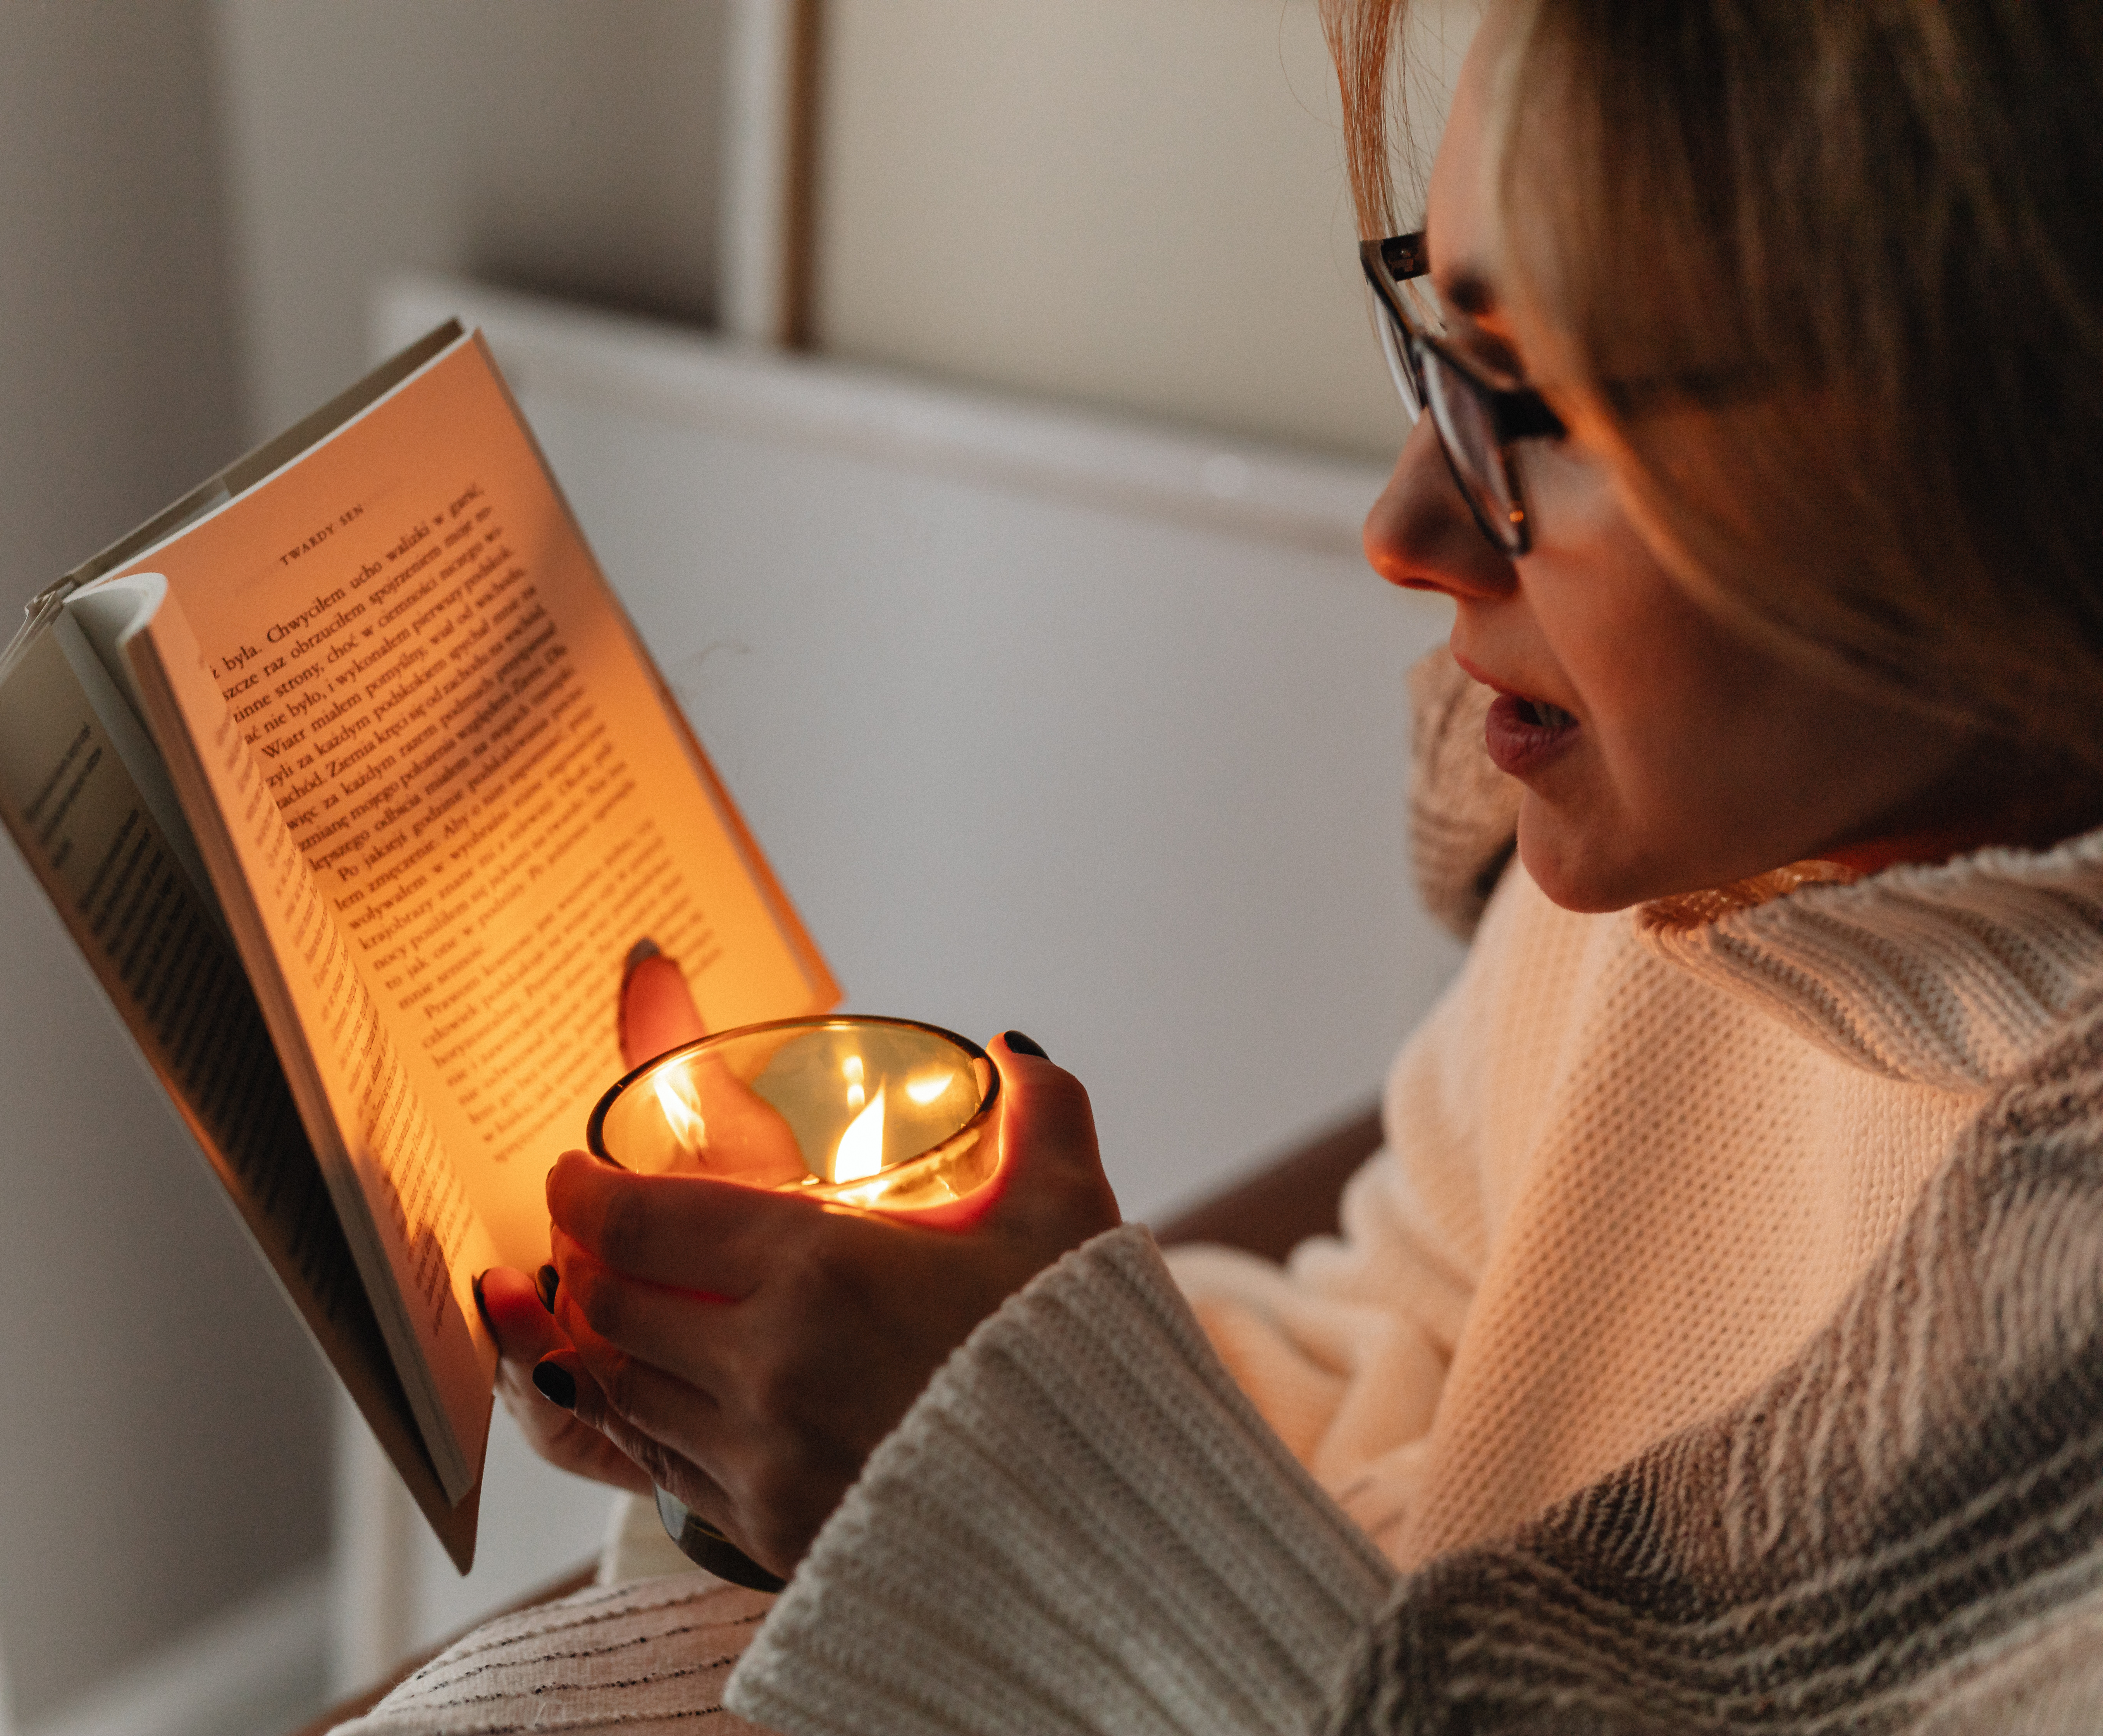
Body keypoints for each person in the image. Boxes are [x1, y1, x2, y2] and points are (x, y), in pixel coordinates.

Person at [431, 0, 2103, 1727]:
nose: (1408, 530)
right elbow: (1417, 1377)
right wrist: (828, 1397)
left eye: (1544, 410)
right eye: (1442, 352)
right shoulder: (1705, 882)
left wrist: (1024, 1490)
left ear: (2013, 447)